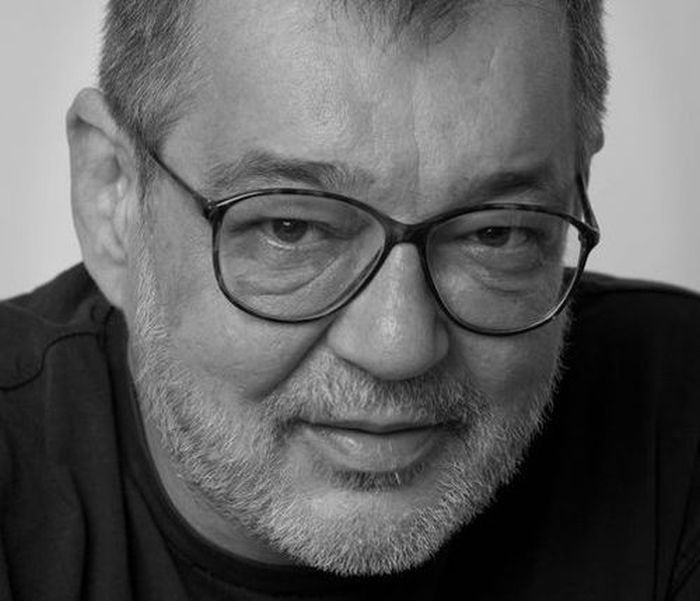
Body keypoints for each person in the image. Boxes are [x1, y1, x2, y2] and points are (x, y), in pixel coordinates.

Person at [1, 0, 699, 598]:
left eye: (496, 233)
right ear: (114, 197)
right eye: (292, 228)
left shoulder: (680, 410)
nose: (399, 346)